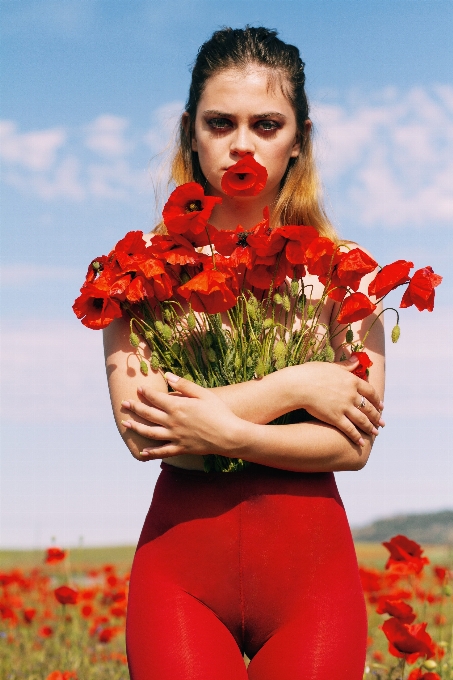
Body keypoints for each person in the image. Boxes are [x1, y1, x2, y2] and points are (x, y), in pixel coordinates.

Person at [103, 27, 385, 679]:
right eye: (219, 122)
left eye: (265, 124)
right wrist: (299, 385)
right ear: (188, 134)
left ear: (299, 140)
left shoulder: (347, 276)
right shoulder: (133, 272)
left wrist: (217, 428)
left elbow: (354, 446)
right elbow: (144, 431)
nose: (241, 144)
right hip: (179, 580)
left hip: (312, 586)